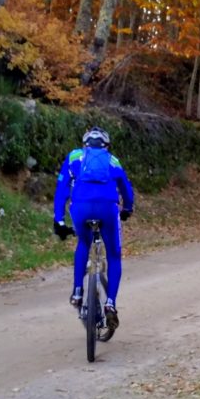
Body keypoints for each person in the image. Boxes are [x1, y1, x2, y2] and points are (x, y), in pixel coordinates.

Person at [53, 127, 134, 330]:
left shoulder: (74, 157)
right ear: (106, 146)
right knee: (114, 255)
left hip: (80, 207)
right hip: (107, 207)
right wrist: (127, 209)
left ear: (85, 145)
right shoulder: (113, 161)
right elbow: (126, 188)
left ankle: (78, 291)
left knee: (83, 243)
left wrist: (59, 220)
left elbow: (62, 188)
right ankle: (110, 304)